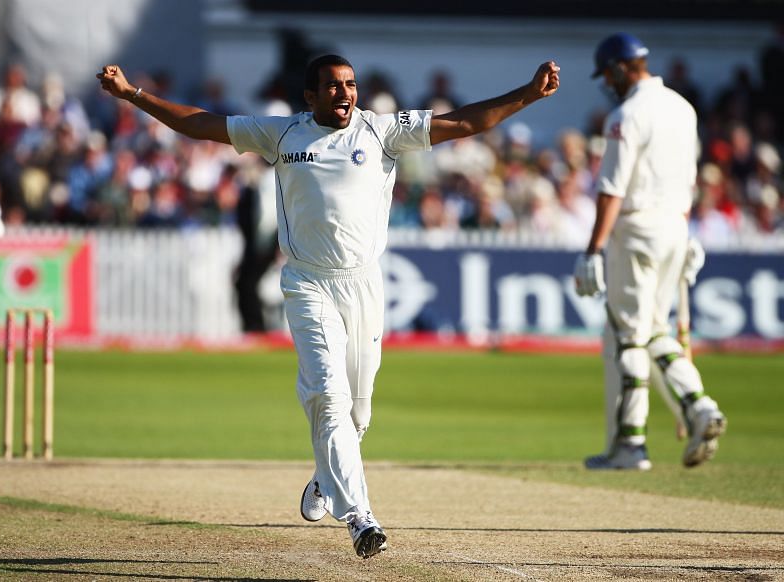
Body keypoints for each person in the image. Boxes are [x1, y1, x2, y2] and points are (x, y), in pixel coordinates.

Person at [97, 55, 560, 557]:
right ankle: (360, 517)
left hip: (363, 285)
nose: (345, 94)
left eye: (350, 84)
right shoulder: (281, 135)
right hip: (307, 283)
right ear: (310, 97)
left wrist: (527, 95)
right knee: (329, 397)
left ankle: (326, 476)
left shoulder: (382, 131)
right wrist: (135, 96)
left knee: (358, 414)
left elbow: (465, 122)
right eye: (333, 87)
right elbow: (203, 124)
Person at [574, 33, 726, 471]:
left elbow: (611, 189)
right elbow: (688, 179)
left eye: (607, 74)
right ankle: (700, 408)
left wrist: (592, 250)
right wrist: (686, 230)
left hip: (638, 230)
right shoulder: (683, 108)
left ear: (621, 67)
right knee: (655, 329)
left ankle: (631, 444)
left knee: (628, 334)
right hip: (676, 229)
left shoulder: (626, 115)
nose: (607, 83)